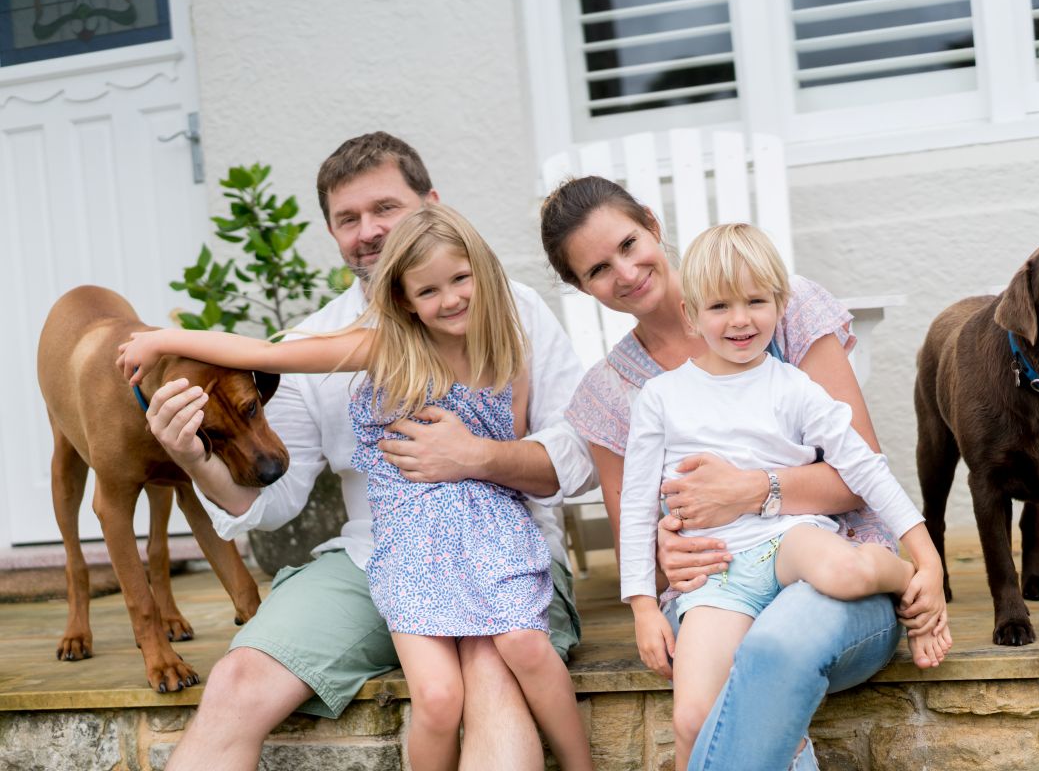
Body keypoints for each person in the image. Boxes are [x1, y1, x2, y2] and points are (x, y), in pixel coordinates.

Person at [141, 133, 594, 771]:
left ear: (433, 205)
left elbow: (575, 459)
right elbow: (271, 502)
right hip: (375, 555)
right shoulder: (322, 340)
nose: (369, 231)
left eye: (385, 208)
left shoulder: (508, 310)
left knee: (490, 680)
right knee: (236, 684)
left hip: (498, 544)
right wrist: (193, 456)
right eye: (347, 219)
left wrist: (477, 457)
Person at [539, 176, 948, 770]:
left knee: (769, 655)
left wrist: (754, 491)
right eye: (599, 269)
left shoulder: (782, 313)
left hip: (821, 560)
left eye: (628, 244)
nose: (625, 273)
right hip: (720, 585)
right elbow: (638, 530)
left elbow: (860, 467)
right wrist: (658, 564)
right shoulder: (619, 393)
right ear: (581, 287)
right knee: (699, 713)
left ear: (653, 225)